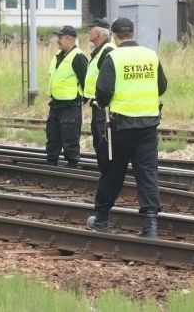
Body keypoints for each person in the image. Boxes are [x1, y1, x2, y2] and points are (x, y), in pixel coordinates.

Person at [86, 17, 168, 239]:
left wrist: (102, 104)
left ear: (114, 35)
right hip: (149, 125)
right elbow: (162, 86)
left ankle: (101, 219)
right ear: (133, 33)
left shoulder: (113, 57)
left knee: (113, 172)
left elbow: (103, 92)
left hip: (120, 126)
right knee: (147, 173)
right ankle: (150, 225)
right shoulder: (150, 55)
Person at [45, 25, 88, 168]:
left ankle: (72, 164)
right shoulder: (58, 56)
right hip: (56, 103)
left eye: (60, 37)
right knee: (53, 135)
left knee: (70, 136)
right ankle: (51, 162)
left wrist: (83, 99)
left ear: (70, 39)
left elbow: (85, 81)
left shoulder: (78, 57)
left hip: (71, 104)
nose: (58, 40)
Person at [82, 18, 115, 178]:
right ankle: (106, 172)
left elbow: (107, 79)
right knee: (99, 139)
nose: (88, 31)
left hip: (104, 105)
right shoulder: (99, 51)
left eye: (91, 28)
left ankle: (107, 174)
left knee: (103, 141)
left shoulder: (107, 50)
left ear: (98, 32)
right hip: (97, 104)